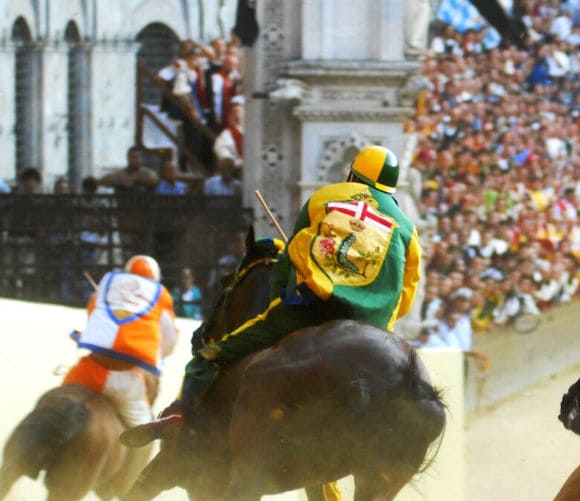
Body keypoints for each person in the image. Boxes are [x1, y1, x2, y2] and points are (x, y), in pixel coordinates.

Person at [123, 145, 422, 445]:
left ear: (352, 173)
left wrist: (285, 294)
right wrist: (378, 323)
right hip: (371, 328)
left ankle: (179, 413)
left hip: (310, 311)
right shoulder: (408, 229)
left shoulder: (324, 198)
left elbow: (291, 259)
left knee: (211, 354)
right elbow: (406, 296)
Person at [62, 255, 178, 482]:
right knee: (144, 435)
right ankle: (125, 485)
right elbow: (169, 340)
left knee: (59, 402)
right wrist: (155, 354)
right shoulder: (160, 295)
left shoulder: (107, 285)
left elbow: (93, 315)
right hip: (126, 381)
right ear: (155, 278)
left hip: (86, 370)